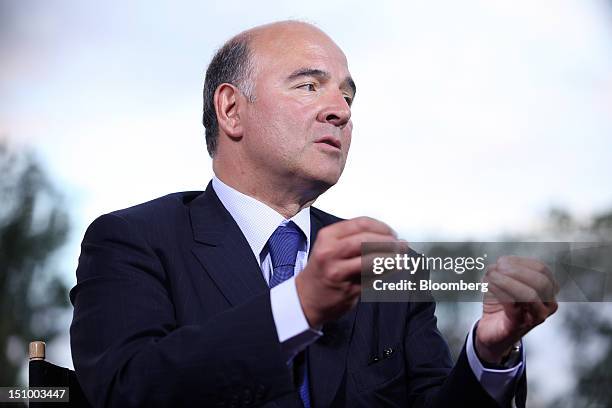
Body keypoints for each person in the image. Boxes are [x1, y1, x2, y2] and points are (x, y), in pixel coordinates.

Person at [70, 21, 558, 407]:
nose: (340, 111)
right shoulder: (132, 241)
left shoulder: (390, 266)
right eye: (309, 86)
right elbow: (126, 390)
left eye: (347, 96)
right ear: (231, 109)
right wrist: (298, 307)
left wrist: (489, 354)